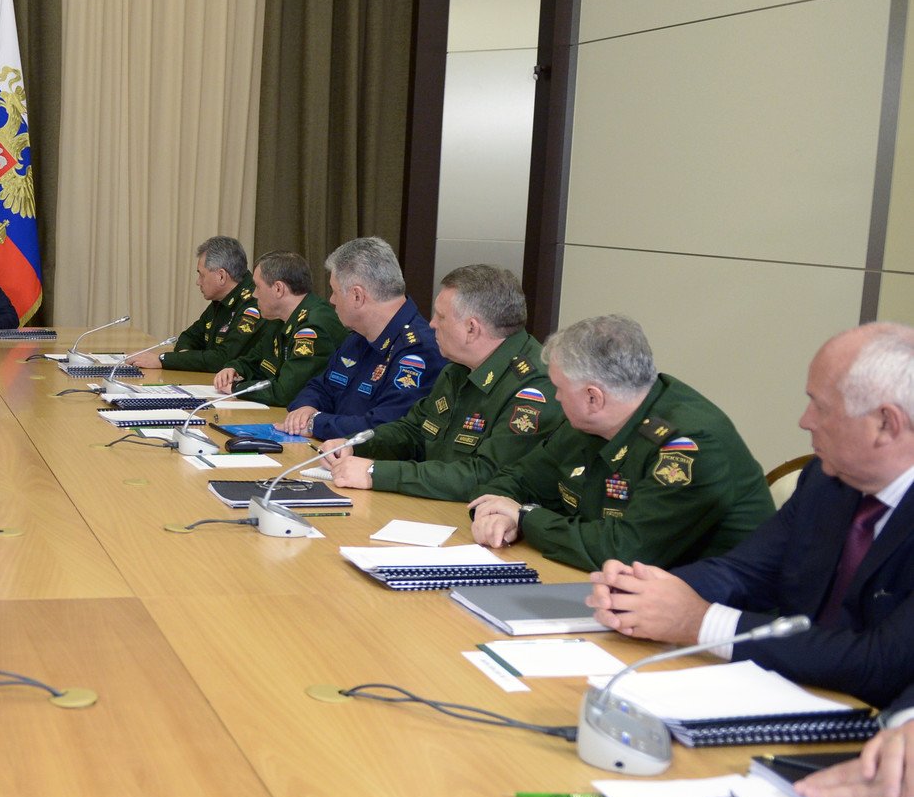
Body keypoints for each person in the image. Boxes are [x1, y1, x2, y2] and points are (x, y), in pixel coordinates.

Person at [587, 324, 914, 716]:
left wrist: (699, 622)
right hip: (787, 694)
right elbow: (745, 573)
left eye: (822, 407)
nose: (805, 420)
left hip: (882, 727)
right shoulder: (826, 482)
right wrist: (641, 590)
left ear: (886, 424)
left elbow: (879, 661)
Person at [469, 314, 772, 570]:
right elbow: (518, 478)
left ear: (593, 398)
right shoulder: (590, 422)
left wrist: (526, 519)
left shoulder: (689, 445)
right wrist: (496, 515)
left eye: (559, 388)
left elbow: (626, 550)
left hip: (714, 609)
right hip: (618, 589)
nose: (556, 397)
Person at [319, 264, 564, 499]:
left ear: (471, 328)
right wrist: (355, 444)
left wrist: (377, 473)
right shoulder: (458, 368)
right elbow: (413, 431)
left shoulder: (534, 386)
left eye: (441, 316)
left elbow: (487, 476)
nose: (432, 324)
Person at [280, 237, 444, 440]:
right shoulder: (358, 337)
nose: (331, 300)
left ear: (357, 296)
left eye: (334, 291)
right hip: (332, 450)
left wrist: (316, 423)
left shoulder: (419, 351)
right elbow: (321, 386)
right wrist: (306, 407)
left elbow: (384, 428)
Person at [212, 251, 345, 407]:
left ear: (278, 289)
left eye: (258, 287)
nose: (254, 294)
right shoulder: (280, 318)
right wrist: (234, 369)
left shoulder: (313, 327)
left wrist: (236, 388)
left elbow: (286, 393)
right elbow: (255, 359)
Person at [126, 236, 270, 371]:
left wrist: (164, 360)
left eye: (201, 275)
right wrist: (183, 358)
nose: (198, 282)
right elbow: (189, 337)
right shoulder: (223, 298)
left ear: (221, 276)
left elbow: (224, 359)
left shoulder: (253, 303)